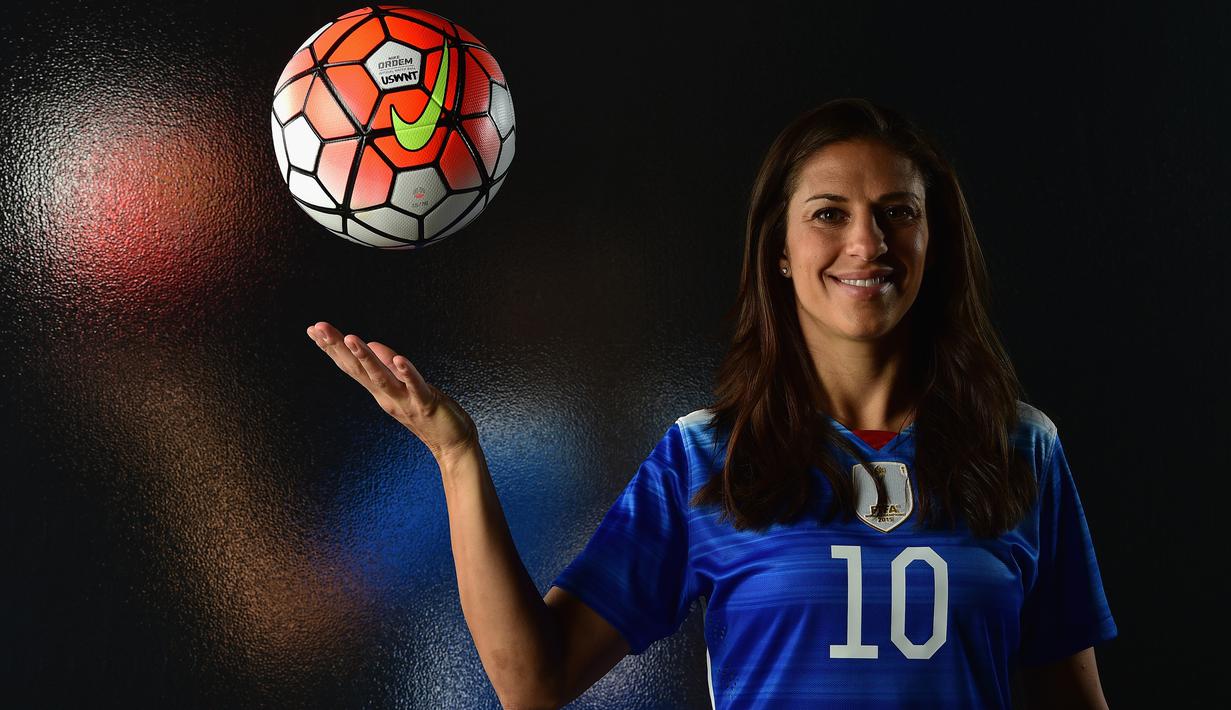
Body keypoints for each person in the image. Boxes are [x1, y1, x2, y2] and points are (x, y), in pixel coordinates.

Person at [305, 97, 1116, 709]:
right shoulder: (708, 455)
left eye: (895, 214)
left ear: (932, 245)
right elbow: (535, 680)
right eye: (829, 214)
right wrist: (456, 456)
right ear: (781, 254)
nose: (865, 243)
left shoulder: (1018, 447)